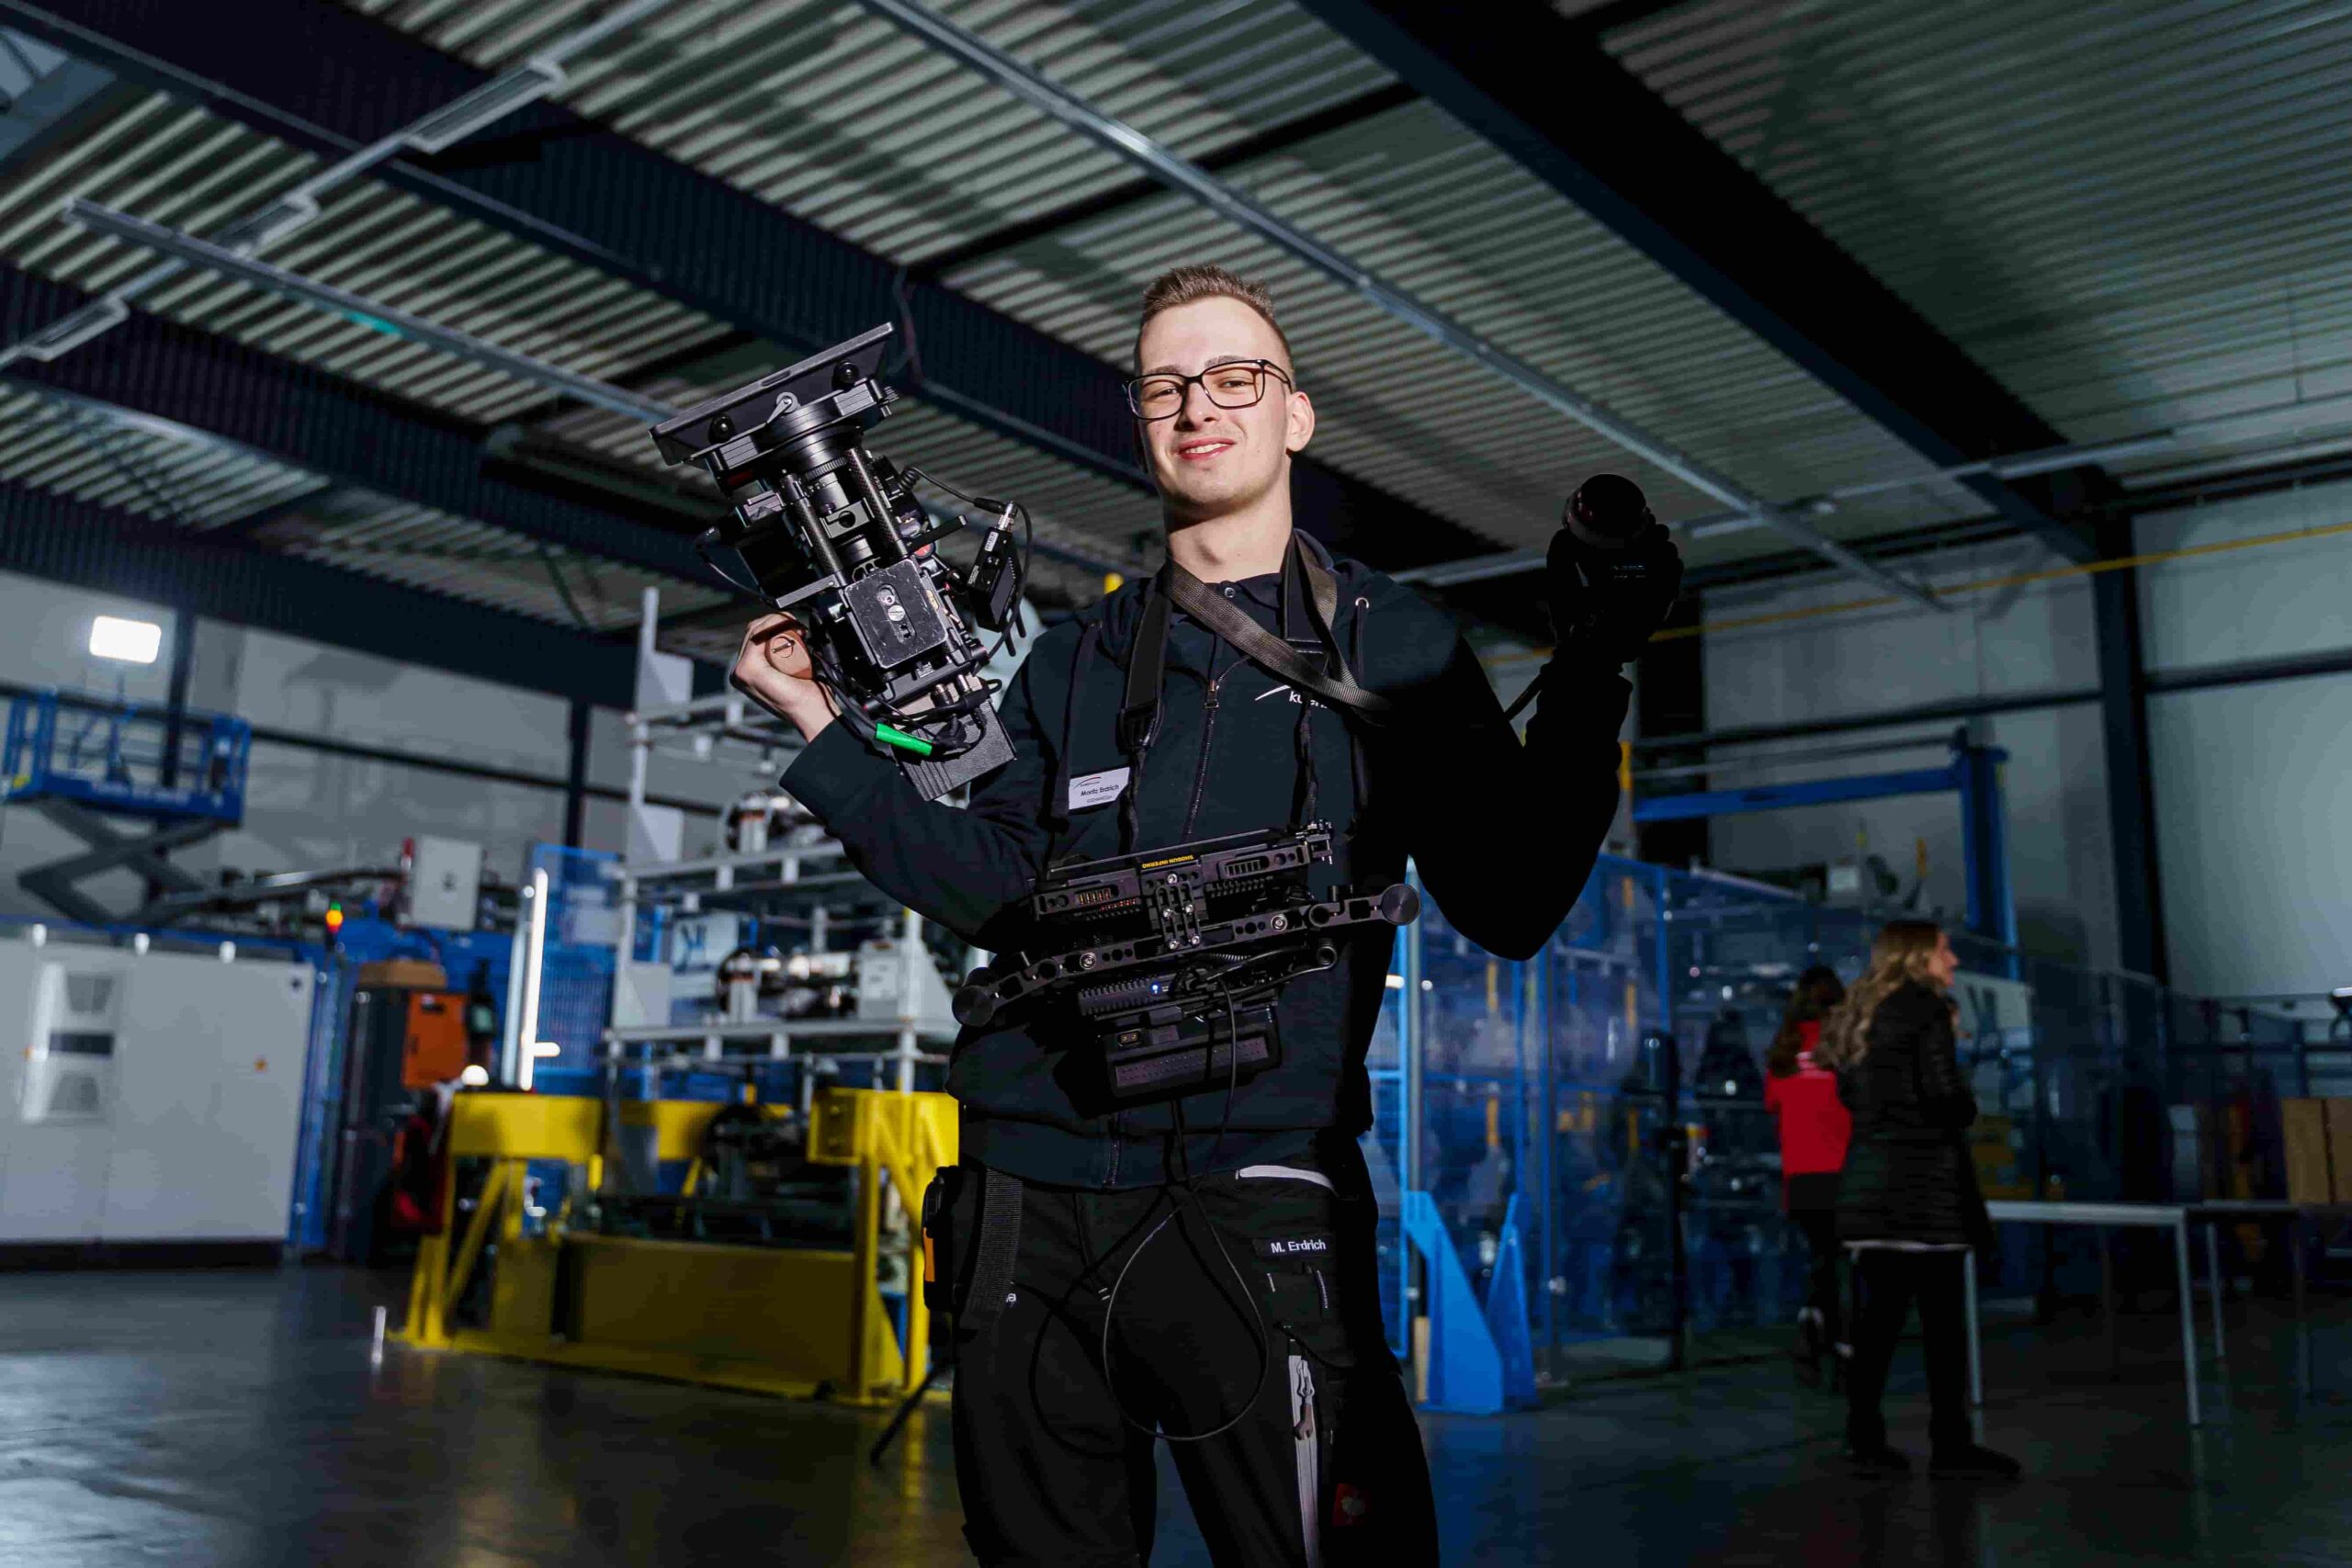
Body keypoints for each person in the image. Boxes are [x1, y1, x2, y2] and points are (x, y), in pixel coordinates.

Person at [729, 264, 1682, 1565]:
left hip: (1255, 1196)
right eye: (1166, 384)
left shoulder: (1393, 643)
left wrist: (1592, 668)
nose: (1198, 406)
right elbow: (994, 886)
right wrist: (819, 725)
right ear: (1140, 419)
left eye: (1235, 377)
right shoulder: (1073, 659)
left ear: (1295, 415)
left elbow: (1510, 900)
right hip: (1028, 1199)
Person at [1818, 921, 2020, 1480]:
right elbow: (1943, 1097)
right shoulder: (1927, 1010)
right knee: (1943, 1329)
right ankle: (1951, 1446)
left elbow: (1852, 1095)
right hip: (1926, 1193)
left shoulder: (1861, 1013)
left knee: (1876, 1326)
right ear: (1916, 957)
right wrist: (1965, 1099)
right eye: (1944, 950)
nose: (1952, 961)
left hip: (1869, 1189)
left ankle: (1863, 1439)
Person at [1763, 965, 1850, 1385]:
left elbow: (1773, 1105)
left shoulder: (1784, 1051)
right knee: (1842, 1263)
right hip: (1844, 1174)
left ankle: (1815, 1329)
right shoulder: (1845, 1051)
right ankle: (1835, 1341)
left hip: (1799, 1179)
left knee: (1823, 1259)